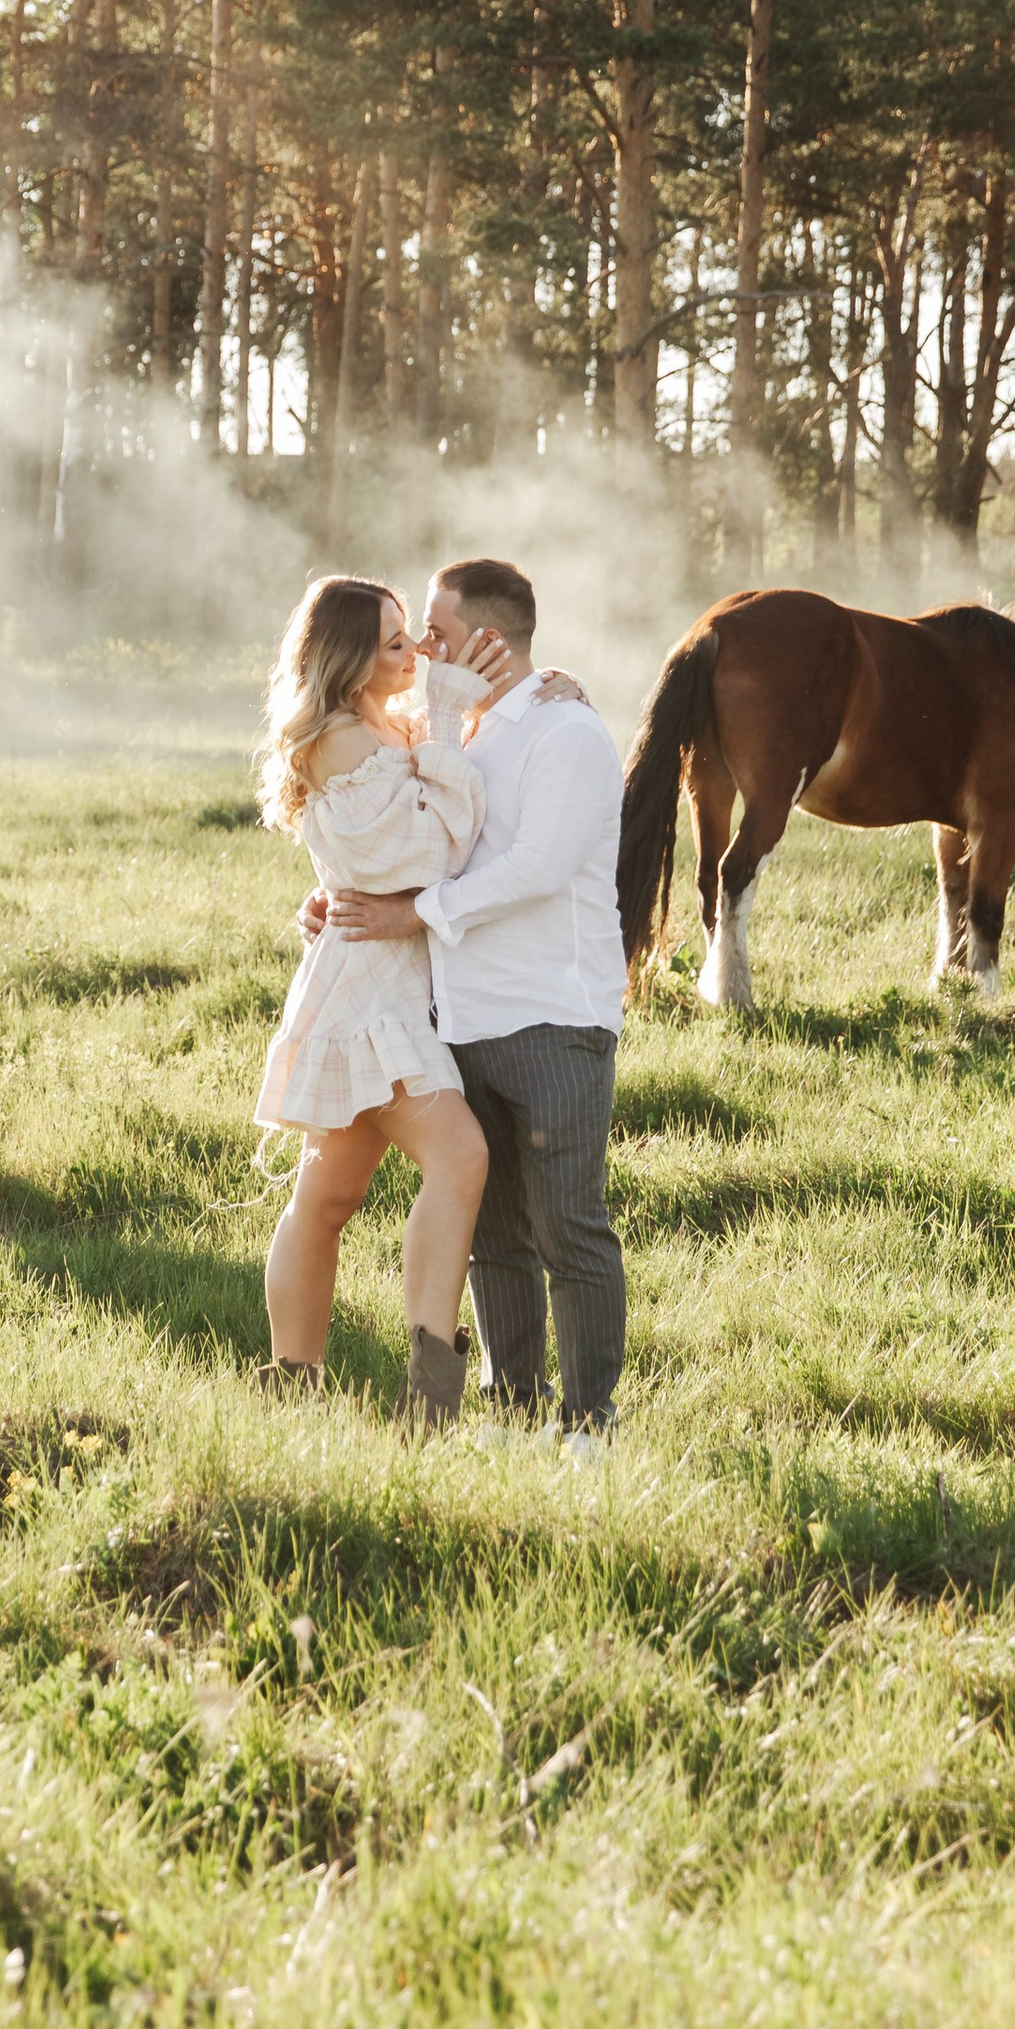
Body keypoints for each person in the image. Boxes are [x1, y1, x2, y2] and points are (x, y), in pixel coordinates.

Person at [326, 557, 628, 1450]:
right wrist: (336, 894)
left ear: (487, 640)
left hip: (552, 1016)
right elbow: (402, 822)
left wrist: (410, 913)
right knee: (496, 1232)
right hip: (464, 1019)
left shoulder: (565, 733)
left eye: (437, 629)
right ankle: (512, 1405)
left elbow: (538, 868)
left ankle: (589, 1424)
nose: (422, 643)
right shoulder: (456, 724)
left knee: (568, 1224)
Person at [250, 575, 507, 1425]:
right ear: (351, 655)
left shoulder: (386, 725)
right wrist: (447, 710)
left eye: (411, 637)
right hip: (370, 997)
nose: (414, 654)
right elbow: (426, 853)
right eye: (394, 642)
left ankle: (296, 1387)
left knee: (327, 1199)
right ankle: (428, 1393)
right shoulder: (336, 739)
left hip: (385, 984)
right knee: (458, 1157)